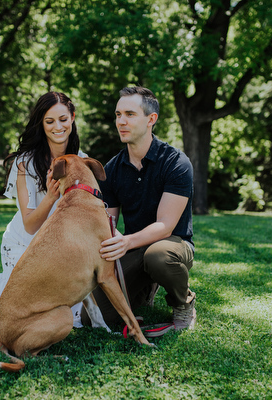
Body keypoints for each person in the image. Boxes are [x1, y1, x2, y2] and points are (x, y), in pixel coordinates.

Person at [0, 92, 86, 327]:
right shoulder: (26, 163)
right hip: (25, 244)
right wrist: (50, 197)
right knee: (32, 310)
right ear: (41, 125)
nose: (58, 127)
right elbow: (30, 224)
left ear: (72, 118)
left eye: (63, 119)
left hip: (62, 248)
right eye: (49, 121)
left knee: (77, 308)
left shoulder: (82, 160)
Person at [83, 86, 196, 331]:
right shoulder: (111, 169)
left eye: (130, 114)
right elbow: (108, 223)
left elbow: (165, 225)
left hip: (173, 243)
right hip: (133, 245)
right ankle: (145, 288)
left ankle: (184, 303)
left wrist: (127, 242)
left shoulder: (176, 163)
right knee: (94, 318)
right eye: (118, 114)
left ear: (151, 119)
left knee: (158, 256)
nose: (121, 121)